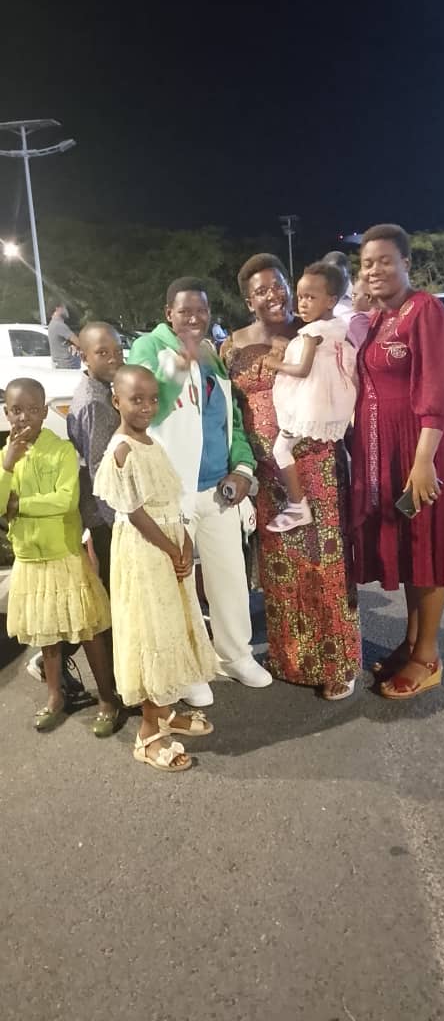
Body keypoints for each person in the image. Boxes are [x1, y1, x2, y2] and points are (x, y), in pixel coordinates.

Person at [127, 277, 272, 707]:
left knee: (230, 577)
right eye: (185, 311)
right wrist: (178, 364)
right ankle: (187, 667)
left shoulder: (211, 354)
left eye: (201, 311)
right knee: (179, 582)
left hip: (218, 489)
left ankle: (235, 655)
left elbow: (231, 420)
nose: (194, 318)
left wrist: (242, 468)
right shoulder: (149, 349)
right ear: (168, 313)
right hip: (171, 493)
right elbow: (148, 408)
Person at [222, 254, 361, 700]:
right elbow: (230, 414)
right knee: (282, 570)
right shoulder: (231, 347)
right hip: (266, 473)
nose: (274, 295)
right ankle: (290, 658)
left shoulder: (310, 331)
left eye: (279, 284)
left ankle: (337, 663)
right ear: (249, 300)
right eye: (261, 290)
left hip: (315, 464)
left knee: (325, 562)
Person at [352, 223, 444, 699]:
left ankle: (429, 657)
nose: (374, 270)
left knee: (427, 546)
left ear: (406, 263)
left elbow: (437, 387)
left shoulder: (425, 310)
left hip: (422, 450)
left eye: (384, 261)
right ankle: (412, 641)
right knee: (407, 550)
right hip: (388, 451)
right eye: (366, 263)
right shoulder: (379, 318)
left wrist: (423, 461)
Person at [94, 366, 216, 773]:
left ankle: (163, 712)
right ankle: (148, 733)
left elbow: (168, 500)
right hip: (145, 553)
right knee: (152, 632)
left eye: (151, 399)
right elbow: (135, 512)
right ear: (117, 401)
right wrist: (170, 548)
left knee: (172, 627)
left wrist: (185, 541)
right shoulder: (122, 450)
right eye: (136, 400)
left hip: (168, 544)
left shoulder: (152, 443)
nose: (146, 407)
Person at [0, 378, 119, 733]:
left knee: (88, 629)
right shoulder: (5, 457)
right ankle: (55, 696)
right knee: (46, 633)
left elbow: (65, 500)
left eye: (32, 409)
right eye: (16, 410)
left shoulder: (62, 451)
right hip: (28, 557)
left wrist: (19, 505)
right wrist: (7, 466)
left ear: (44, 411)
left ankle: (107, 697)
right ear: (6, 413)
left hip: (64, 554)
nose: (24, 417)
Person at [264, 261, 357, 533]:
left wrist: (275, 364)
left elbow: (303, 369)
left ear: (331, 301)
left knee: (280, 449)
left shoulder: (312, 332)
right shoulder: (337, 327)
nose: (302, 304)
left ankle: (297, 505)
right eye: (300, 296)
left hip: (308, 402)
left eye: (310, 298)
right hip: (327, 400)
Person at [67, 322, 124, 592]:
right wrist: (118, 523)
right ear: (84, 357)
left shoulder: (100, 390)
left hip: (105, 513)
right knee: (120, 588)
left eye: (118, 351)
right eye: (102, 353)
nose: (113, 358)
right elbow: (100, 468)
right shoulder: (94, 403)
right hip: (107, 516)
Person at [47, 304, 81, 369]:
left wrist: (75, 346)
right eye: (65, 308)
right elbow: (78, 342)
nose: (67, 311)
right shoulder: (58, 325)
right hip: (68, 366)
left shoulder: (53, 324)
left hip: (63, 365)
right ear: (57, 308)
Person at [323, 251, 353, 323]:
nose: (335, 281)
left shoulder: (362, 298)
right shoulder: (317, 297)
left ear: (348, 273)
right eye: (330, 276)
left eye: (339, 275)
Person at [348, 275, 372, 350]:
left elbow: (367, 350)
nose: (352, 299)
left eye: (355, 295)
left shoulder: (359, 321)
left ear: (369, 297)